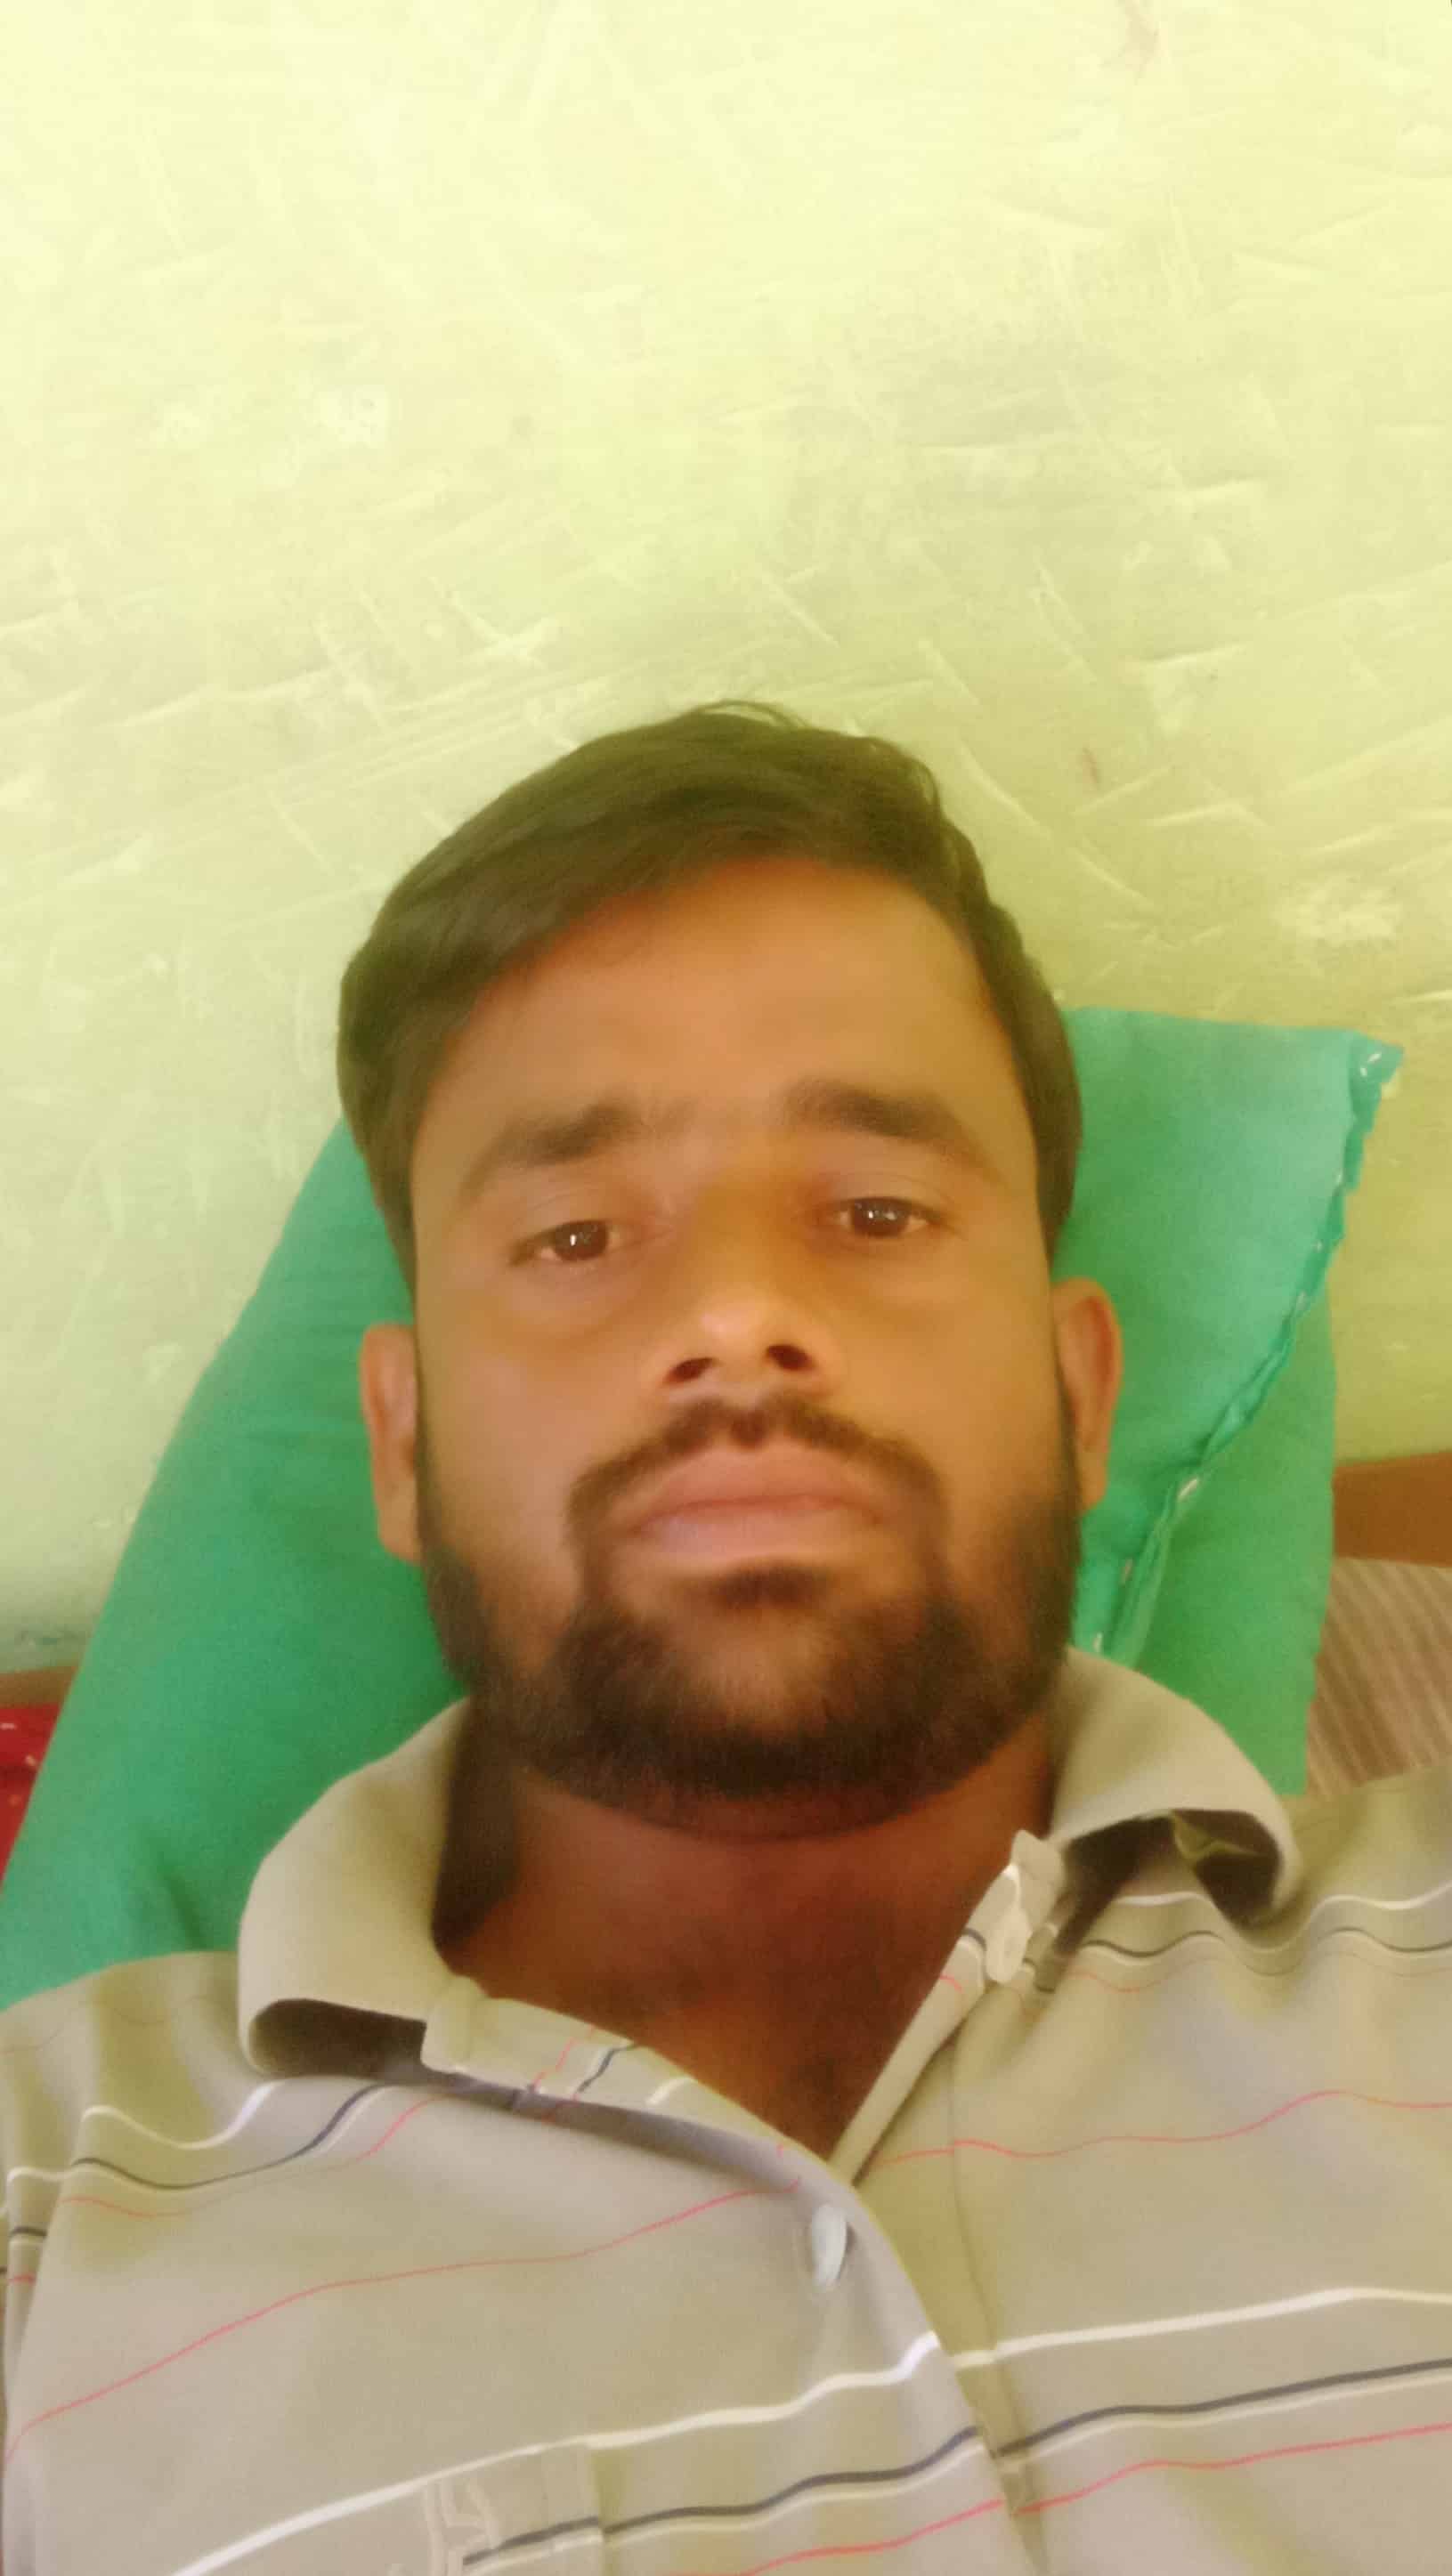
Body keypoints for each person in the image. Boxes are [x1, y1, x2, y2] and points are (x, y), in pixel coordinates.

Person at [3, 701, 1448, 2572]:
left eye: (876, 1208)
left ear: (1081, 1393)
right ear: (404, 1440)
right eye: (578, 1236)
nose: (740, 1307)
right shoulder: (46, 2204)